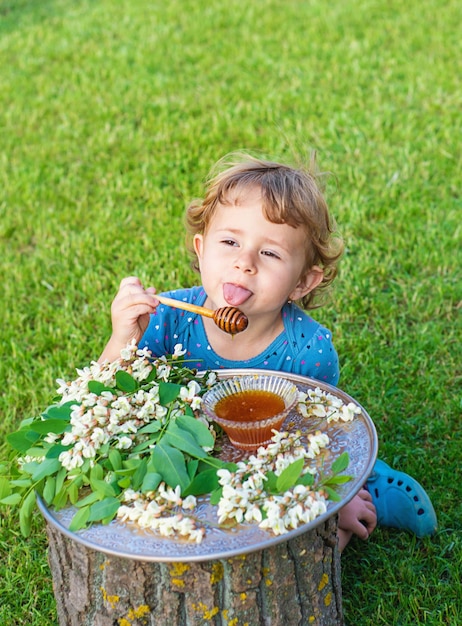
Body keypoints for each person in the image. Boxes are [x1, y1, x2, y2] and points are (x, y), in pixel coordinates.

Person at [99, 152, 437, 551]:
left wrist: (335, 500)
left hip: (276, 459)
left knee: (317, 536)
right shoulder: (165, 320)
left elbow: (318, 438)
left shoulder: (307, 352)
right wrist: (124, 337)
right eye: (229, 242)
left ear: (302, 282)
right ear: (201, 248)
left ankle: (369, 484)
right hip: (190, 457)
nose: (244, 263)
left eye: (270, 253)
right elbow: (107, 401)